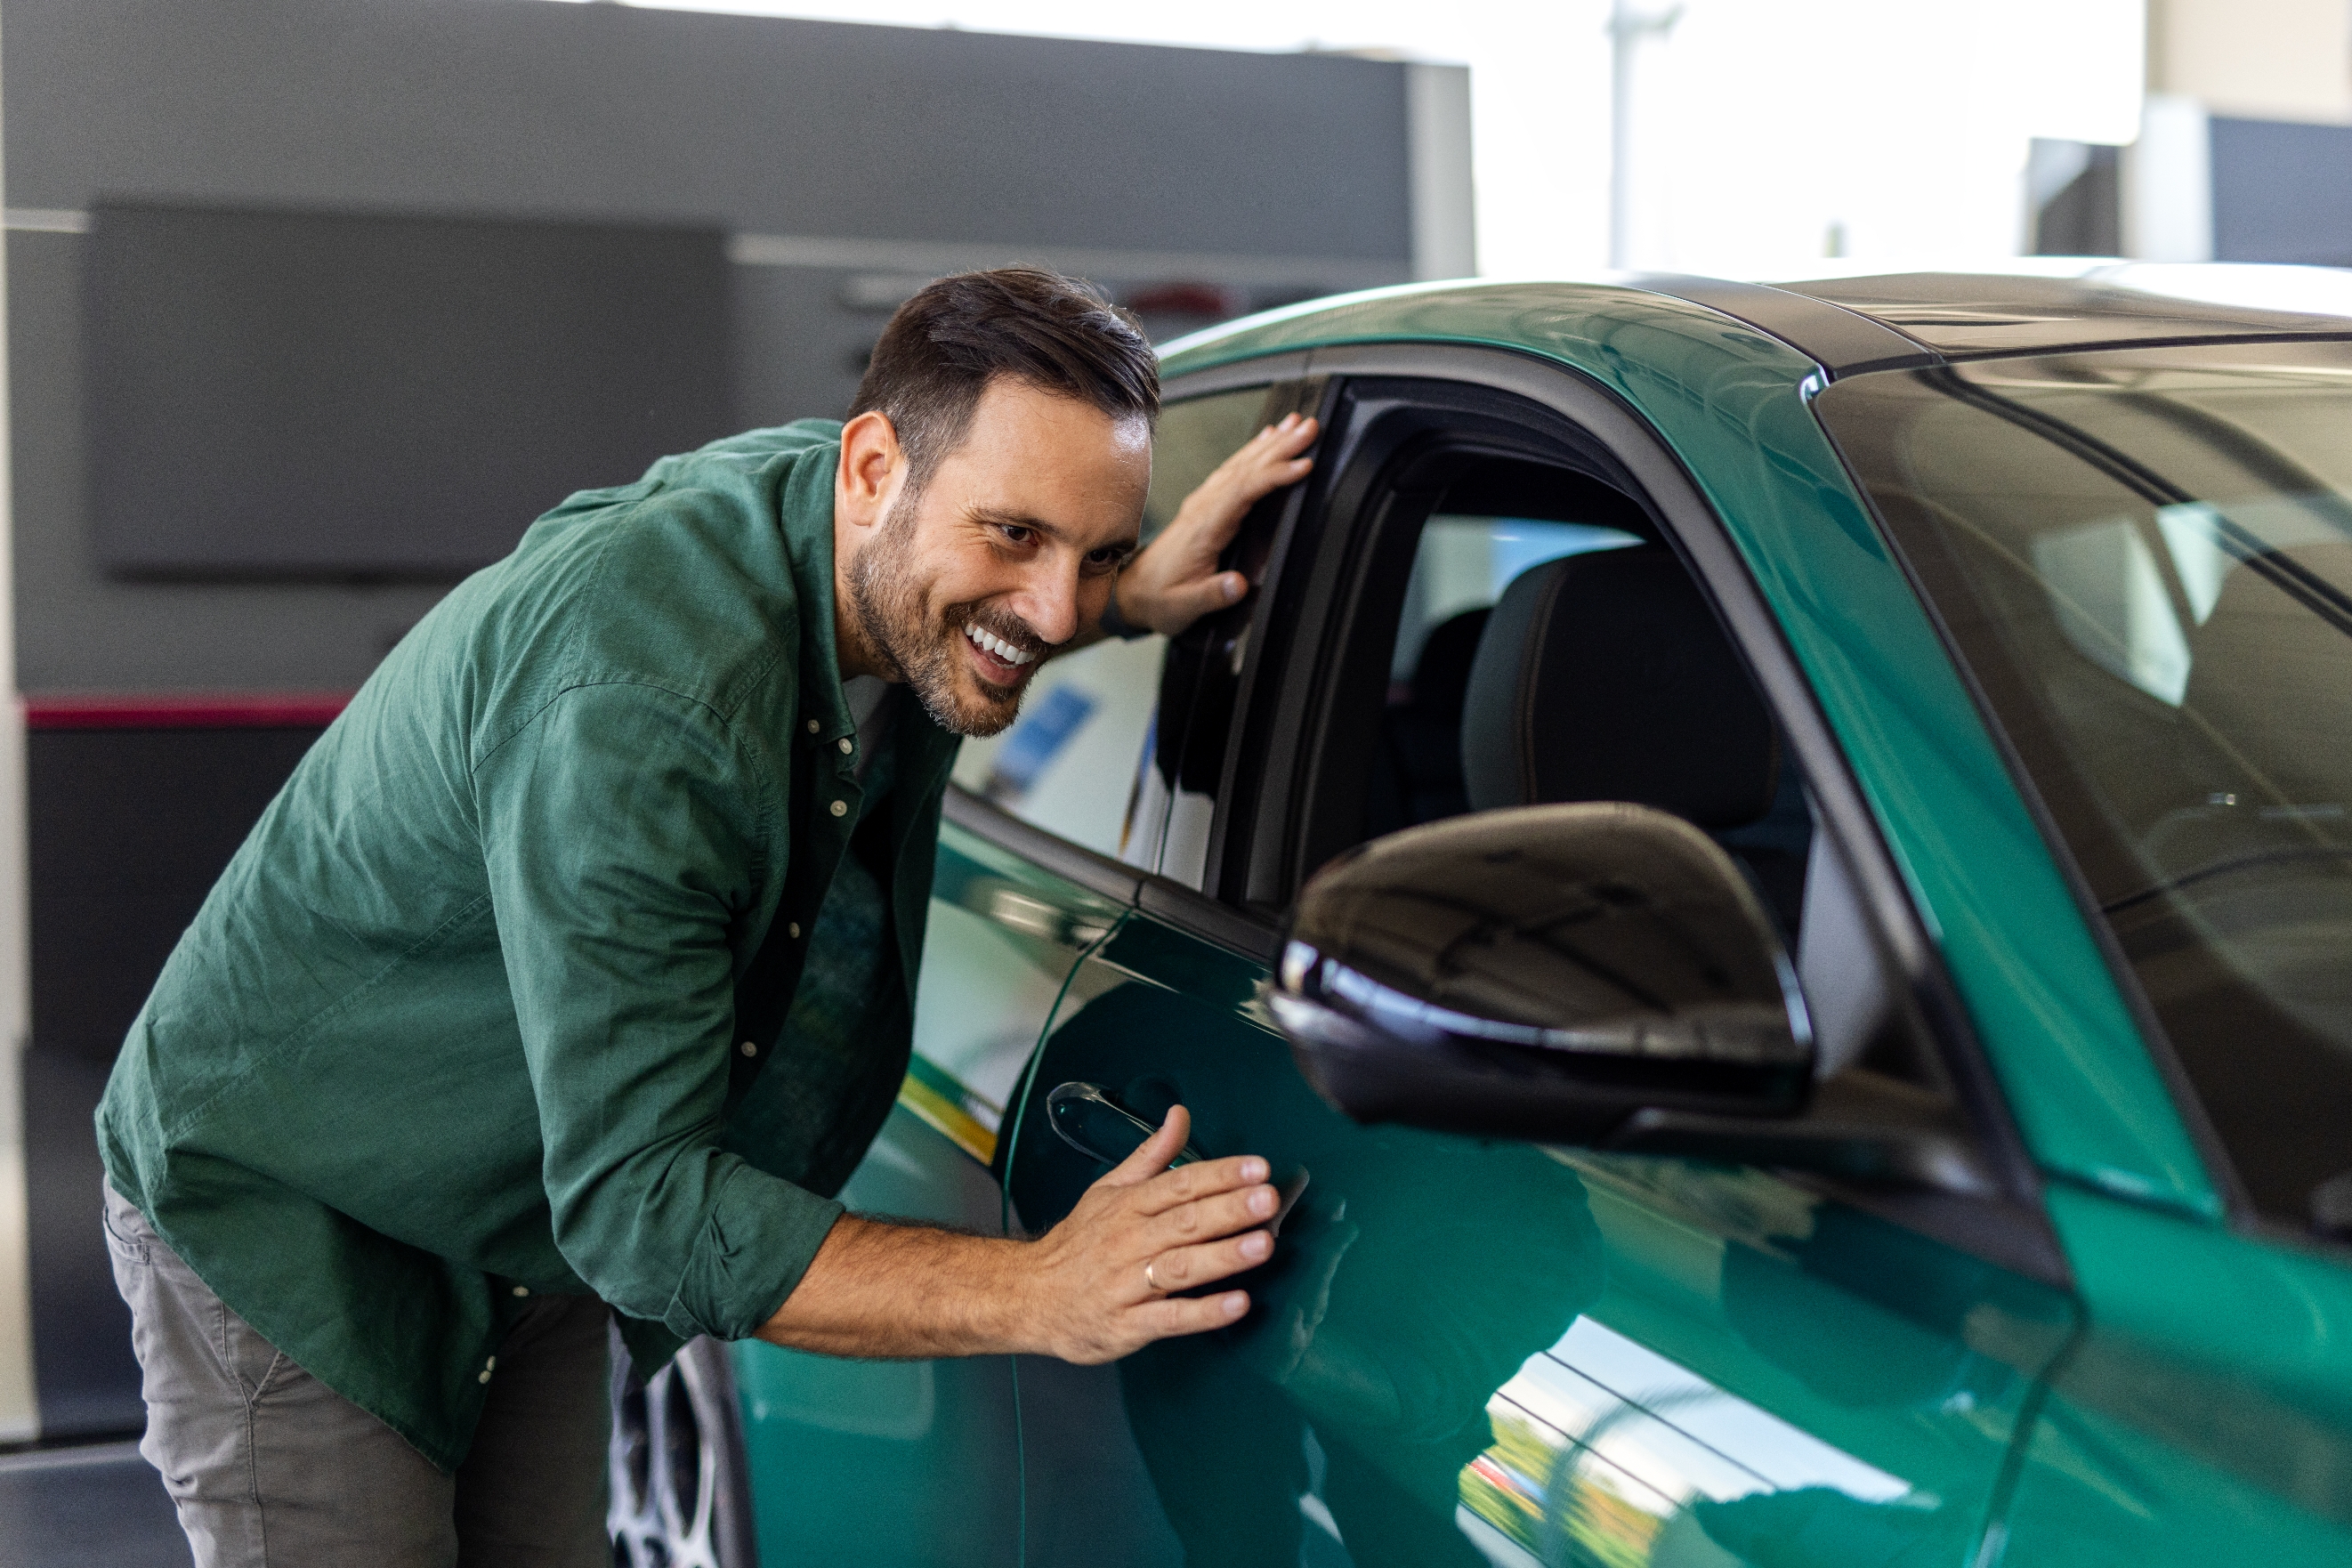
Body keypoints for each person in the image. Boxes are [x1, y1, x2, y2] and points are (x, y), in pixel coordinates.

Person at [95, 266, 1321, 1567]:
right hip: (303, 1204)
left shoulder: (870, 523)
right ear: (870, 469)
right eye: (1018, 535)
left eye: (1101, 551)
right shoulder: (645, 708)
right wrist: (1044, 1288)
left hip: (530, 1208)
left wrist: (1135, 598)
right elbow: (640, 1213)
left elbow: (959, 589)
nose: (1058, 602)